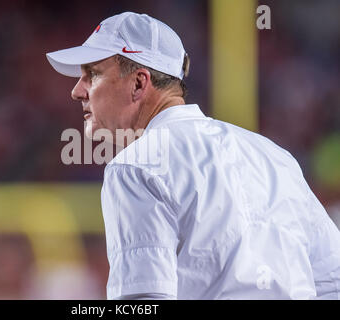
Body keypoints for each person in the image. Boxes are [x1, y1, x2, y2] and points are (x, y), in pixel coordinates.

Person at [46, 12, 340, 299]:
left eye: (92, 75)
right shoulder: (276, 157)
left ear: (138, 83)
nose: (77, 91)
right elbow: (331, 280)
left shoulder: (137, 166)